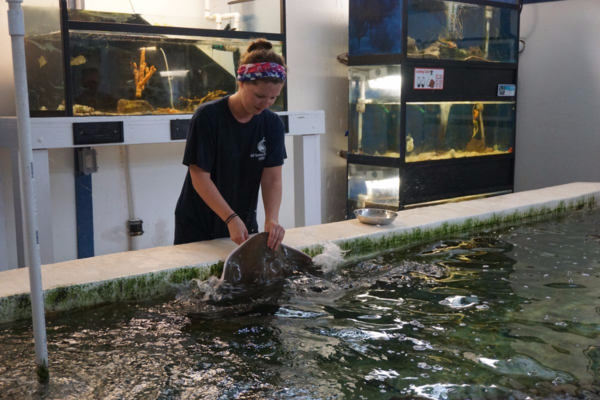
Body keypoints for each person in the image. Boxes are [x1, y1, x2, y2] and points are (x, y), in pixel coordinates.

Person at [174, 39, 287, 250]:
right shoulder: (208, 117)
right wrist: (230, 218)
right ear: (241, 82)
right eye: (260, 96)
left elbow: (272, 179)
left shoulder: (272, 124)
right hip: (199, 223)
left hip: (243, 220)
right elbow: (199, 176)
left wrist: (271, 218)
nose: (265, 104)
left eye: (273, 98)